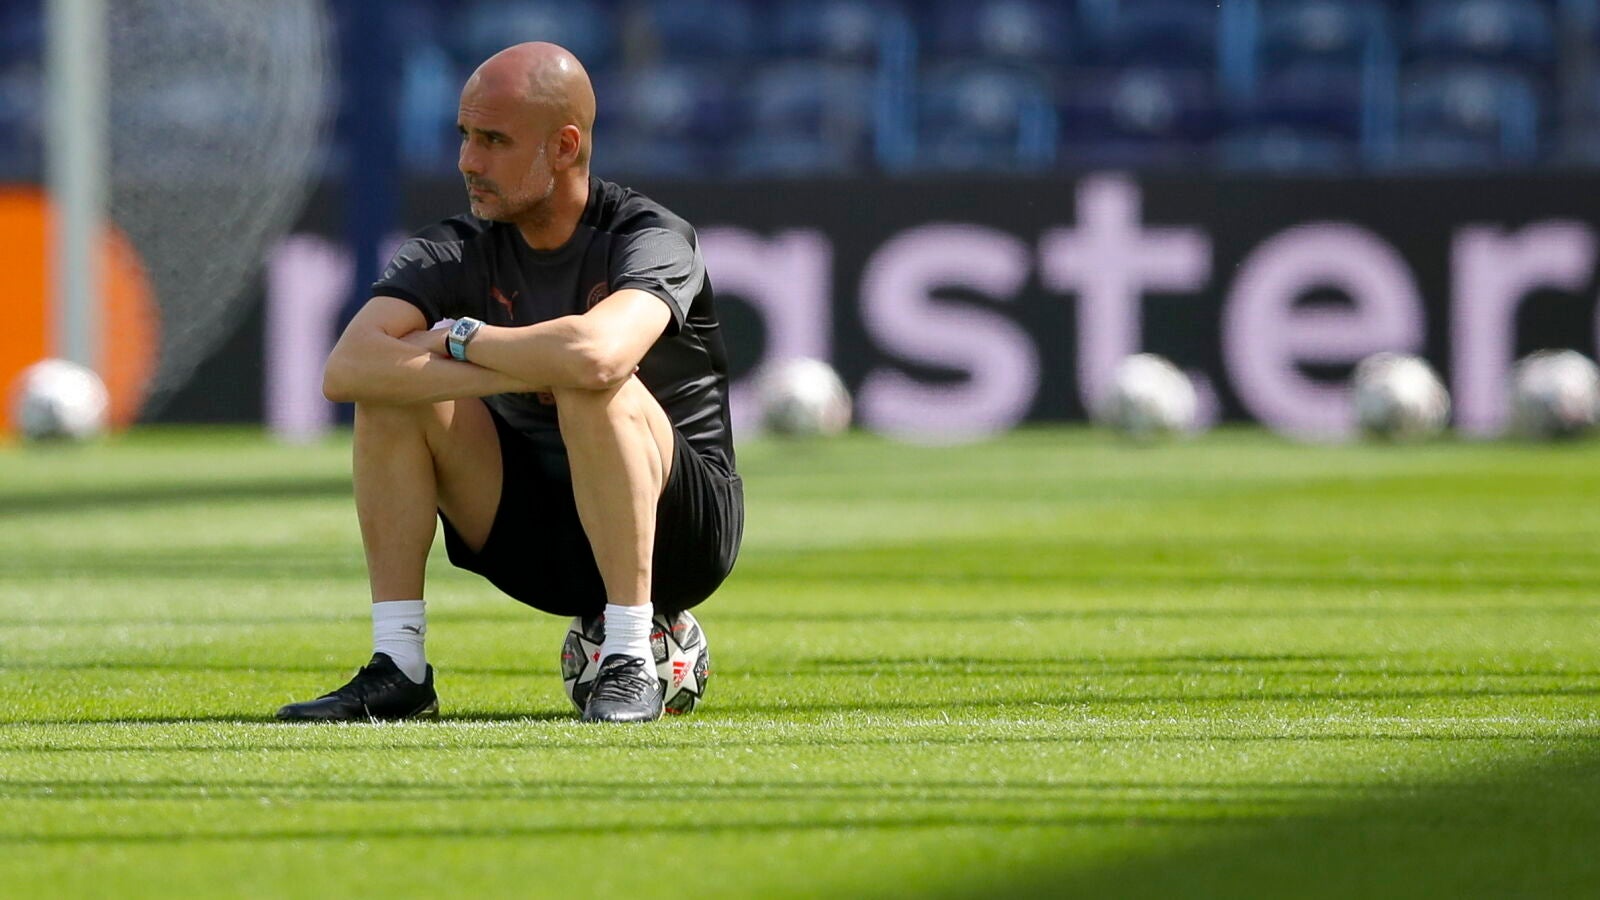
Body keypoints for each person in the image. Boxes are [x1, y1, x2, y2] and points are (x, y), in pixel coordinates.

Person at [276, 42, 743, 724]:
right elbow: (347, 368)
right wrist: (524, 361)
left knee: (591, 382)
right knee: (393, 393)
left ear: (564, 146)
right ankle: (399, 667)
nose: (468, 161)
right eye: (465, 136)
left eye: (493, 140)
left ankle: (629, 656)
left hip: (681, 537)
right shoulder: (456, 245)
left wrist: (461, 339)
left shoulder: (649, 235)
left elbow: (598, 356)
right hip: (539, 538)